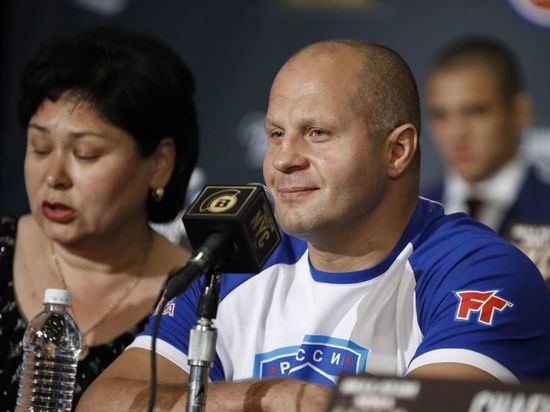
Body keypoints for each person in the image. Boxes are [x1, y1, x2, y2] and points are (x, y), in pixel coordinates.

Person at [79, 40, 550, 411]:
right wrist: (270, 399)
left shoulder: (476, 271)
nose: (283, 160)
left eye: (318, 133)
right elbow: (104, 401)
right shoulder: (233, 261)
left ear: (397, 151)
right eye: (275, 134)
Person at [0, 28, 199, 409]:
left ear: (159, 164)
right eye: (40, 147)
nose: (54, 176)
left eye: (86, 153)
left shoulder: (194, 297)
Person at [422, 37, 550, 236]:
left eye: (476, 112)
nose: (456, 133)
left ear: (519, 112)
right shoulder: (409, 216)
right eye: (440, 115)